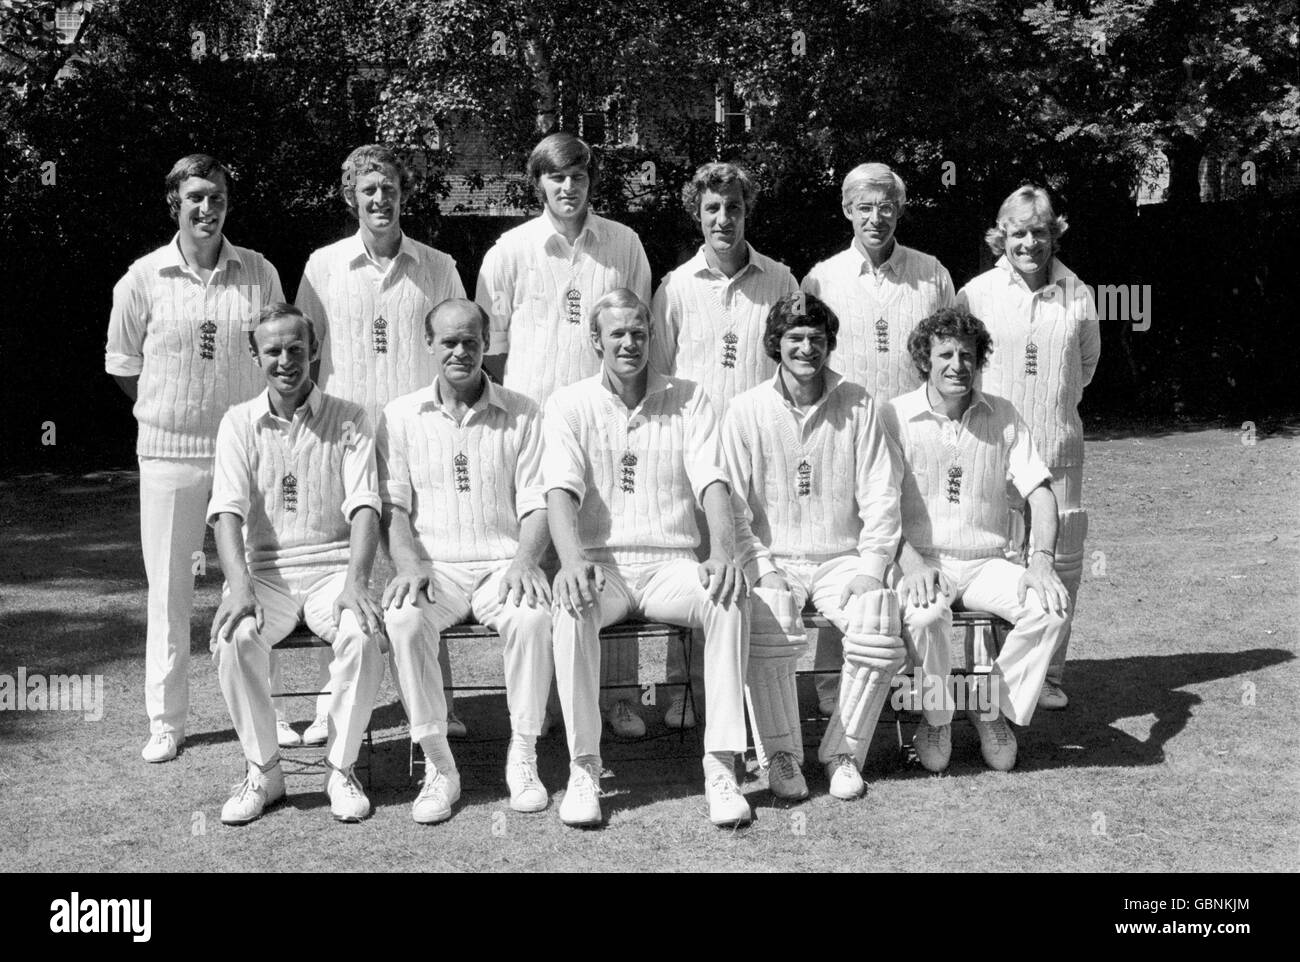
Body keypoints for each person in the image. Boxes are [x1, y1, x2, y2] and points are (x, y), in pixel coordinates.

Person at [542, 289, 751, 828]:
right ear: (596, 341)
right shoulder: (568, 403)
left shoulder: (691, 397)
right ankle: (584, 766)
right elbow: (560, 493)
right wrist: (569, 563)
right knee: (570, 607)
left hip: (670, 564)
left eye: (638, 331)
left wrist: (723, 554)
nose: (629, 342)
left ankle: (721, 764)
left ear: (651, 335)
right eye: (617, 333)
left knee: (727, 595)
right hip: (602, 565)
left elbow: (712, 483)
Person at [105, 153, 283, 763]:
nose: (208, 209)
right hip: (168, 457)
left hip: (247, 453)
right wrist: (173, 413)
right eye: (196, 198)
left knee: (261, 582)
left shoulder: (259, 273)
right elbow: (125, 367)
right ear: (175, 204)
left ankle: (267, 714)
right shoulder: (141, 278)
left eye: (217, 198)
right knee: (171, 590)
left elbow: (277, 355)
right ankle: (167, 720)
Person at [476, 132, 653, 738]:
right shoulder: (509, 250)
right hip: (533, 424)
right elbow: (492, 351)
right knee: (544, 553)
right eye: (556, 178)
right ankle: (547, 702)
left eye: (578, 176)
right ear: (539, 184)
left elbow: (639, 329)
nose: (568, 188)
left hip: (607, 418)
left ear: (590, 181)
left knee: (610, 544)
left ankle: (622, 696)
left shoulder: (624, 244)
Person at [295, 144, 469, 741]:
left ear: (403, 193)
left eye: (388, 188)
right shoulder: (321, 266)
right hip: (342, 439)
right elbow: (302, 354)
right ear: (351, 197)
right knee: (346, 568)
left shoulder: (438, 266)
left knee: (418, 560)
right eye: (367, 190)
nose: (379, 199)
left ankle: (441, 704)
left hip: (417, 438)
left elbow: (455, 345)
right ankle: (334, 705)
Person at [379, 299, 555, 824]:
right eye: (449, 342)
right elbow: (394, 508)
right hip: (438, 569)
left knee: (532, 616)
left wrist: (527, 561)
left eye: (471, 341)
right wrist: (408, 565)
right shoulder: (399, 415)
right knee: (403, 620)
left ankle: (523, 755)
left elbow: (537, 501)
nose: (460, 351)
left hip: (504, 562)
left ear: (486, 343)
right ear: (429, 345)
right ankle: (439, 766)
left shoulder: (524, 411)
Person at [208, 304, 385, 823]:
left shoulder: (351, 417)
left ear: (315, 352)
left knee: (365, 634)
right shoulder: (238, 422)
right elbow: (226, 514)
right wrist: (238, 588)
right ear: (255, 356)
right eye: (273, 351)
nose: (286, 360)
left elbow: (366, 506)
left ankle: (341, 769)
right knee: (234, 637)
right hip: (266, 574)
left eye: (296, 349)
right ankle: (264, 771)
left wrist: (357, 581)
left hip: (334, 572)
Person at [723, 293, 903, 801]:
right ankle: (780, 756)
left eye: (817, 339)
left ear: (830, 345)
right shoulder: (745, 410)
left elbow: (881, 494)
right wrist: (759, 566)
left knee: (878, 616)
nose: (806, 348)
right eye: (794, 338)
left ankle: (843, 753)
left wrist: (872, 568)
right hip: (774, 557)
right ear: (775, 345)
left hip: (841, 557)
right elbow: (732, 505)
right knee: (768, 617)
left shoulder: (859, 403)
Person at [881, 307, 1071, 772]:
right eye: (945, 353)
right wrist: (910, 563)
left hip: (988, 561)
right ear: (924, 359)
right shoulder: (893, 416)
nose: (957, 365)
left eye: (968, 355)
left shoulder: (1002, 413)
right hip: (923, 561)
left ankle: (989, 706)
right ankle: (937, 715)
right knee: (927, 620)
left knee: (1051, 607)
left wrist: (1041, 560)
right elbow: (876, 506)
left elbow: (1041, 494)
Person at [800, 163, 955, 714]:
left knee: (914, 553)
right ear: (847, 211)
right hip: (844, 437)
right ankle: (830, 683)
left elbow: (952, 354)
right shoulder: (822, 278)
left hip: (918, 438)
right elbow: (807, 361)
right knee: (846, 552)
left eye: (886, 205)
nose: (876, 216)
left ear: (900, 209)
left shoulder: (932, 273)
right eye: (864, 207)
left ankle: (915, 684)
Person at [649, 161, 799, 731]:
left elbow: (792, 364)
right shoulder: (676, 287)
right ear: (697, 213)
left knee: (752, 557)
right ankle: (683, 689)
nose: (723, 219)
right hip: (692, 448)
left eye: (733, 207)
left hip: (759, 447)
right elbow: (660, 372)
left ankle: (752, 689)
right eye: (712, 208)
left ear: (746, 211)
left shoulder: (781, 280)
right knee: (697, 560)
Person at [957, 185, 1099, 710]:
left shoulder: (1078, 294)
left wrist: (1048, 417)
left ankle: (1049, 677)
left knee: (1059, 559)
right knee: (994, 557)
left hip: (1060, 448)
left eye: (1040, 232)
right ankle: (981, 672)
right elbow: (963, 369)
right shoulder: (975, 294)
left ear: (1053, 233)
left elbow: (1083, 368)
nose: (1029, 243)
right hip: (991, 449)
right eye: (1018, 233)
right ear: (1002, 235)